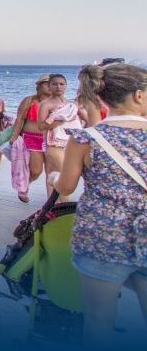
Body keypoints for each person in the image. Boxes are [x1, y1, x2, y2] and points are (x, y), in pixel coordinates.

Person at [51, 62, 147, 346]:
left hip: (101, 238)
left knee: (98, 322)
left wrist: (55, 176)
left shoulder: (86, 138)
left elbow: (66, 187)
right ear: (139, 95)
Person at [7, 74, 51, 202]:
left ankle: (52, 198)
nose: (50, 86)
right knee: (36, 170)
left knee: (52, 171)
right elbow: (20, 118)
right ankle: (24, 186)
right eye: (46, 83)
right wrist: (15, 135)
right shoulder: (30, 100)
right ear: (39, 85)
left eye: (51, 83)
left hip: (50, 140)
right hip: (31, 138)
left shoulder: (56, 101)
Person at [37, 74, 78, 197]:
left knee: (53, 173)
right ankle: (62, 203)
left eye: (61, 84)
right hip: (53, 143)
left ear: (66, 86)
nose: (58, 87)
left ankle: (51, 204)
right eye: (54, 84)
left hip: (70, 142)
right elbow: (41, 126)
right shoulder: (45, 104)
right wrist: (61, 121)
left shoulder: (72, 104)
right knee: (61, 174)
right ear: (49, 86)